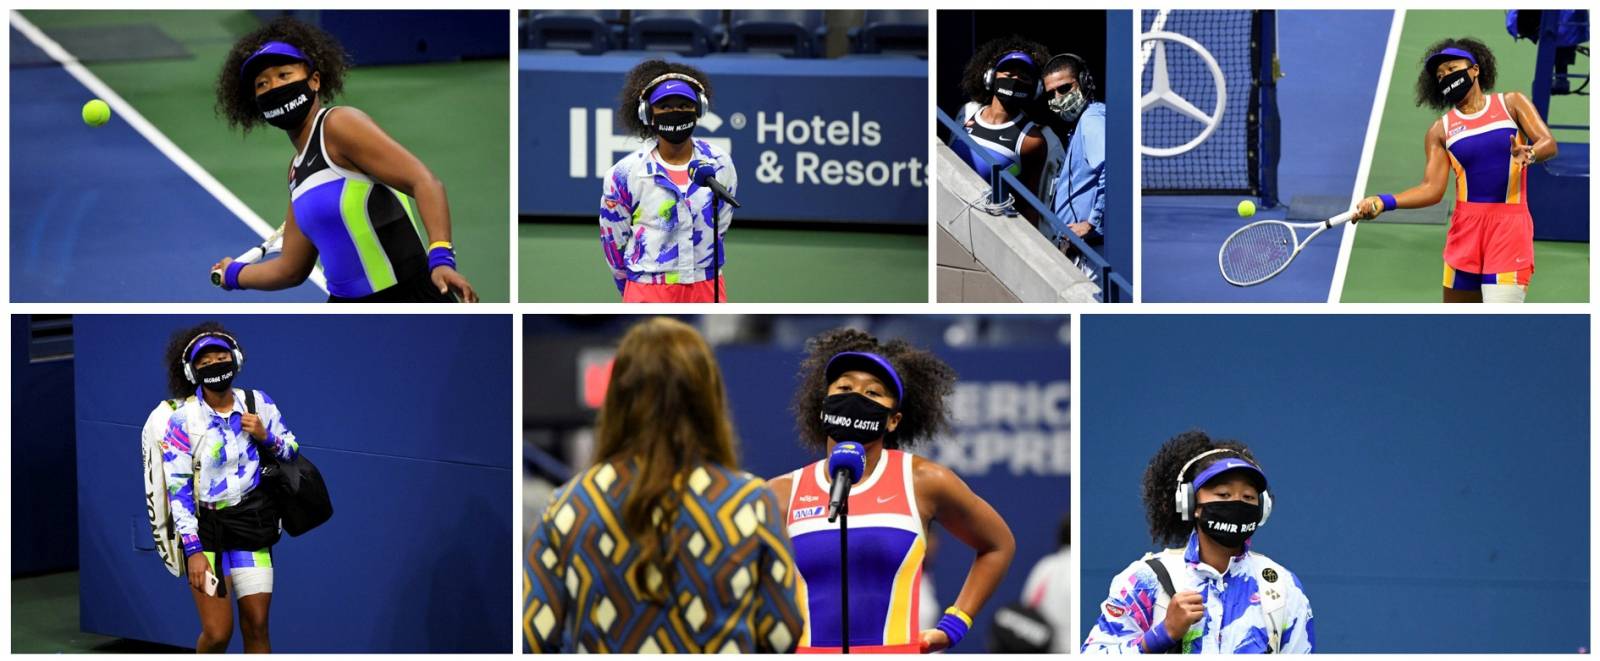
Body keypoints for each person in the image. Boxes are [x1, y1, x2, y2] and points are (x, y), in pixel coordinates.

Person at [525, 317, 801, 652]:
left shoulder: (567, 506)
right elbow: (781, 634)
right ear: (708, 397)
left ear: (617, 398)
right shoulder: (752, 503)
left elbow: (535, 637)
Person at [769, 328, 1016, 653]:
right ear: (823, 403)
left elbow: (998, 545)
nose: (856, 397)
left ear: (894, 420)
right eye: (844, 387)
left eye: (873, 393)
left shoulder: (925, 481)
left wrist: (955, 624)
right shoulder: (781, 492)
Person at [210, 17, 477, 302]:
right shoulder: (295, 170)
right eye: (262, 83)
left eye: (284, 75)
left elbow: (424, 182)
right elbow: (291, 268)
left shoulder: (339, 125)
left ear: (314, 81)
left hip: (409, 296)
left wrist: (441, 258)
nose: (274, 86)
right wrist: (234, 274)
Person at [1352, 38, 1557, 303]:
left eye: (1451, 68)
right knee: (1459, 325)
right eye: (1440, 75)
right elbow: (1431, 189)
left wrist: (1531, 153)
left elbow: (1548, 143)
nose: (1446, 76)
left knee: (1499, 325)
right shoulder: (1440, 130)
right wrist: (1384, 201)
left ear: (1474, 69)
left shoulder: (1511, 104)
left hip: (1508, 230)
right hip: (1465, 232)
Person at [1083, 431, 1314, 654]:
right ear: (1190, 504)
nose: (1236, 503)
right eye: (1223, 495)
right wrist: (1161, 636)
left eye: (1248, 497)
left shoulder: (1282, 587)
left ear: (1262, 509)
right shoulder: (1146, 580)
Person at [159, 322, 300, 652]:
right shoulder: (183, 421)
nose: (215, 366)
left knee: (258, 625)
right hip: (206, 534)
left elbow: (292, 451)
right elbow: (177, 490)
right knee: (218, 634)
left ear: (235, 360)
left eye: (221, 357)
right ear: (192, 372)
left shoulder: (258, 403)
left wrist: (267, 436)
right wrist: (193, 551)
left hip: (252, 526)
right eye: (204, 363)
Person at [601, 60, 734, 303]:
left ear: (699, 110)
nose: (675, 112)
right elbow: (613, 241)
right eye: (664, 106)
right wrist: (630, 286)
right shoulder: (624, 174)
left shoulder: (720, 162)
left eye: (685, 105)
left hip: (707, 285)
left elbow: (720, 224)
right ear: (647, 113)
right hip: (646, 288)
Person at [951, 38, 1050, 224]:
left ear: (1035, 88)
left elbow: (1028, 204)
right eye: (1008, 72)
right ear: (990, 76)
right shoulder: (966, 113)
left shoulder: (1031, 140)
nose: (1015, 78)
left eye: (1024, 76)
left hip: (988, 227)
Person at [1041, 53, 1108, 266]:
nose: (1058, 98)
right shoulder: (1081, 125)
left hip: (1092, 250)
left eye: (1064, 88)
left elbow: (1112, 169)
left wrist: (1091, 223)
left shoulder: (1092, 120)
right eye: (1051, 93)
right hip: (1081, 249)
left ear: (1084, 82)